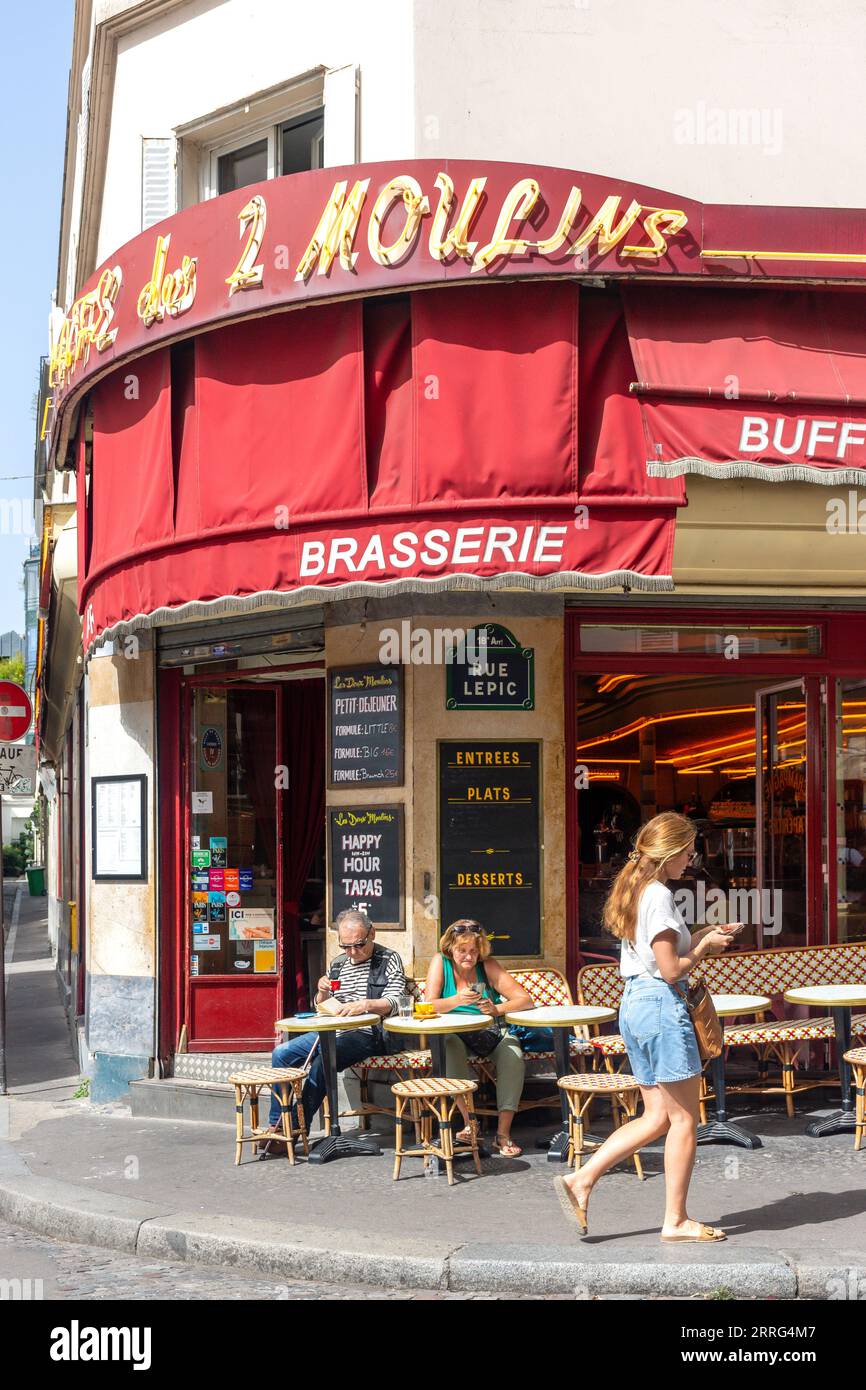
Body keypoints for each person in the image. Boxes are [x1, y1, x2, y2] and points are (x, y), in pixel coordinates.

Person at [555, 811, 742, 1241]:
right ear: (669, 852)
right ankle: (675, 1220)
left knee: (657, 1116)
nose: (692, 858)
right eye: (689, 850)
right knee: (685, 1121)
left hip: (637, 1005)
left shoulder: (638, 889)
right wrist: (706, 948)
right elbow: (672, 970)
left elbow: (658, 959)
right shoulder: (658, 894)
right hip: (661, 1006)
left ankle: (580, 1180)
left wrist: (700, 937)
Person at [261, 908, 406, 1142]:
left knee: (322, 1062)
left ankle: (297, 1128)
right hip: (332, 1031)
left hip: (369, 1034)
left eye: (358, 945)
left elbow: (397, 1001)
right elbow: (322, 1006)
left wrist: (365, 1004)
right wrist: (321, 992)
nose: (352, 952)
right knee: (282, 1053)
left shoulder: (389, 959)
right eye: (345, 946)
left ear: (372, 933)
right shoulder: (338, 963)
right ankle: (277, 1125)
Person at [425, 919, 534, 1157]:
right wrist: (456, 1001)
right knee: (449, 1046)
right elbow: (427, 1005)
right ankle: (469, 1123)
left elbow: (525, 1000)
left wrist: (496, 1010)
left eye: (473, 951)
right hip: (454, 1030)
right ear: (450, 949)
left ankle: (502, 1134)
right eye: (462, 950)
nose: (468, 956)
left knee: (512, 1054)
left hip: (489, 1030)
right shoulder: (440, 962)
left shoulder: (488, 965)